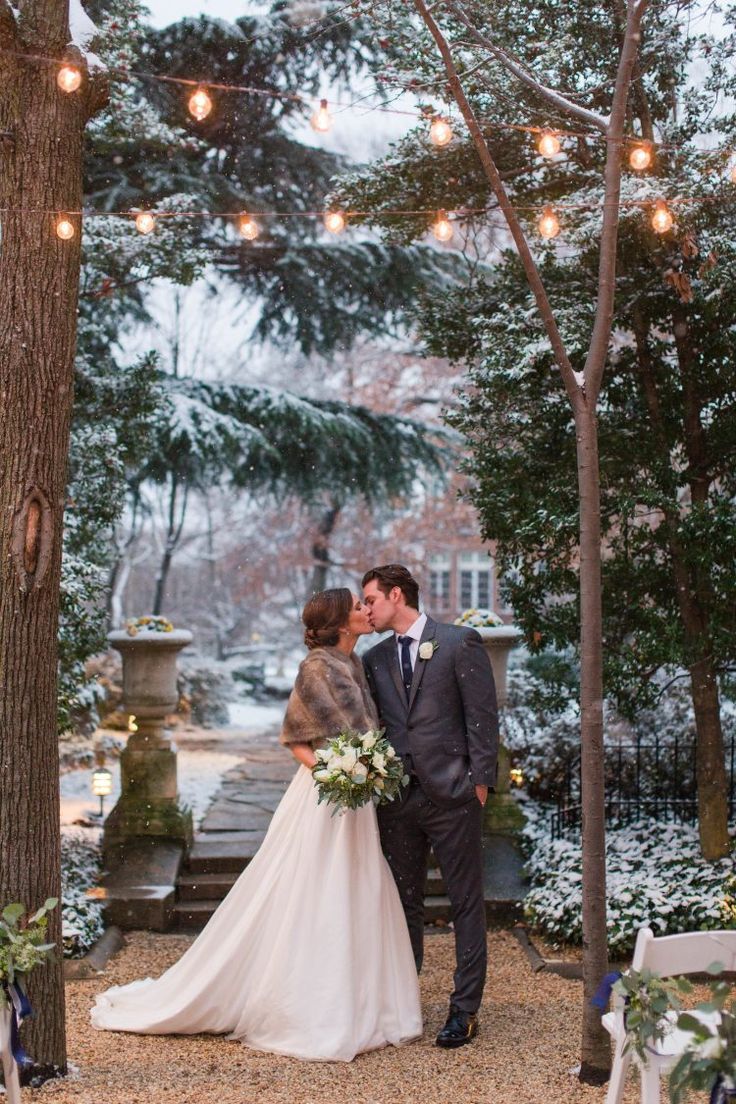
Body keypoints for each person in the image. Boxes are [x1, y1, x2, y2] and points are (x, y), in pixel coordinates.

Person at [91, 588, 422, 1062]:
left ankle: (366, 1002)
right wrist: (335, 772)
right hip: (324, 796)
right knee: (314, 890)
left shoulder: (356, 663)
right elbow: (295, 740)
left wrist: (365, 772)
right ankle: (306, 1004)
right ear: (338, 622)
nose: (365, 612)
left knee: (360, 887)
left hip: (358, 800)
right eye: (356, 608)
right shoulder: (317, 666)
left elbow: (367, 734)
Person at [362, 564, 498, 1049]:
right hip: (398, 800)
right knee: (403, 906)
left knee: (465, 903)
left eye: (371, 600)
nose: (366, 610)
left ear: (397, 595)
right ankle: (404, 1003)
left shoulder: (459, 642)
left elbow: (482, 715)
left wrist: (480, 782)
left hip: (454, 795)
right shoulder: (373, 658)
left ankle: (464, 1011)